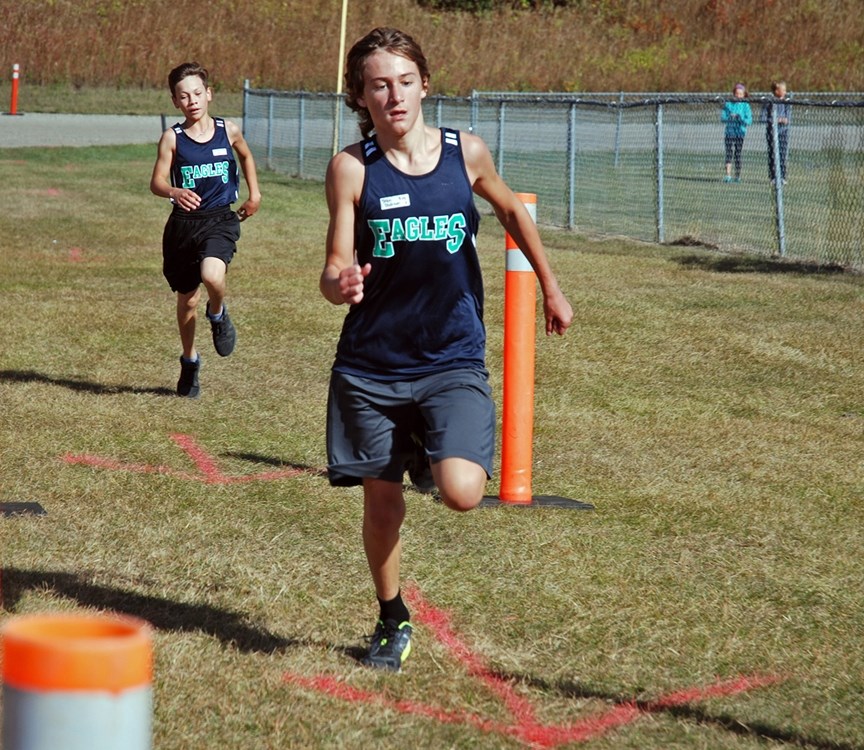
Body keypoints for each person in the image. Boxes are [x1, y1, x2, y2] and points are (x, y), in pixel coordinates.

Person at [320, 27, 573, 672]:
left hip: (450, 358)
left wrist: (550, 286)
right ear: (362, 96)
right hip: (371, 366)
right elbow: (332, 268)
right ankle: (391, 615)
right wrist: (340, 281)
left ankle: (436, 454)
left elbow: (515, 212)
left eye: (405, 82)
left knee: (462, 491)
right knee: (383, 503)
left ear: (425, 85)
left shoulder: (466, 154)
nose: (394, 96)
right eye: (379, 85)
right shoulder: (353, 167)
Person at [150, 62, 261, 398]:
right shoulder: (173, 138)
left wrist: (254, 194)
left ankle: (218, 313)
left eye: (198, 93)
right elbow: (156, 181)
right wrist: (174, 191)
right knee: (187, 300)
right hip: (184, 227)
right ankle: (189, 361)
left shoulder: (229, 130)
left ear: (209, 94)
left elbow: (246, 156)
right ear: (175, 101)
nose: (192, 100)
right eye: (184, 96)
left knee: (213, 276)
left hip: (219, 220)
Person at [720, 82, 753, 182]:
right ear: (734, 94)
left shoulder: (745, 105)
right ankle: (728, 175)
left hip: (740, 133)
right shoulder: (728, 104)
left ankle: (737, 176)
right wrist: (729, 117)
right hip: (729, 132)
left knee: (737, 154)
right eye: (736, 93)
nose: (738, 96)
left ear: (744, 95)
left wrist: (741, 118)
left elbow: (749, 120)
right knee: (729, 153)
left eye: (740, 94)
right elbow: (723, 117)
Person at [761, 80, 791, 184]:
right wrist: (776, 119)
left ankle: (782, 176)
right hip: (771, 133)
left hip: (783, 132)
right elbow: (763, 117)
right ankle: (773, 177)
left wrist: (786, 120)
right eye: (783, 90)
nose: (785, 92)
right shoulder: (769, 102)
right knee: (772, 154)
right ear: (776, 91)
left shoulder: (787, 102)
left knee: (782, 154)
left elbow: (788, 117)